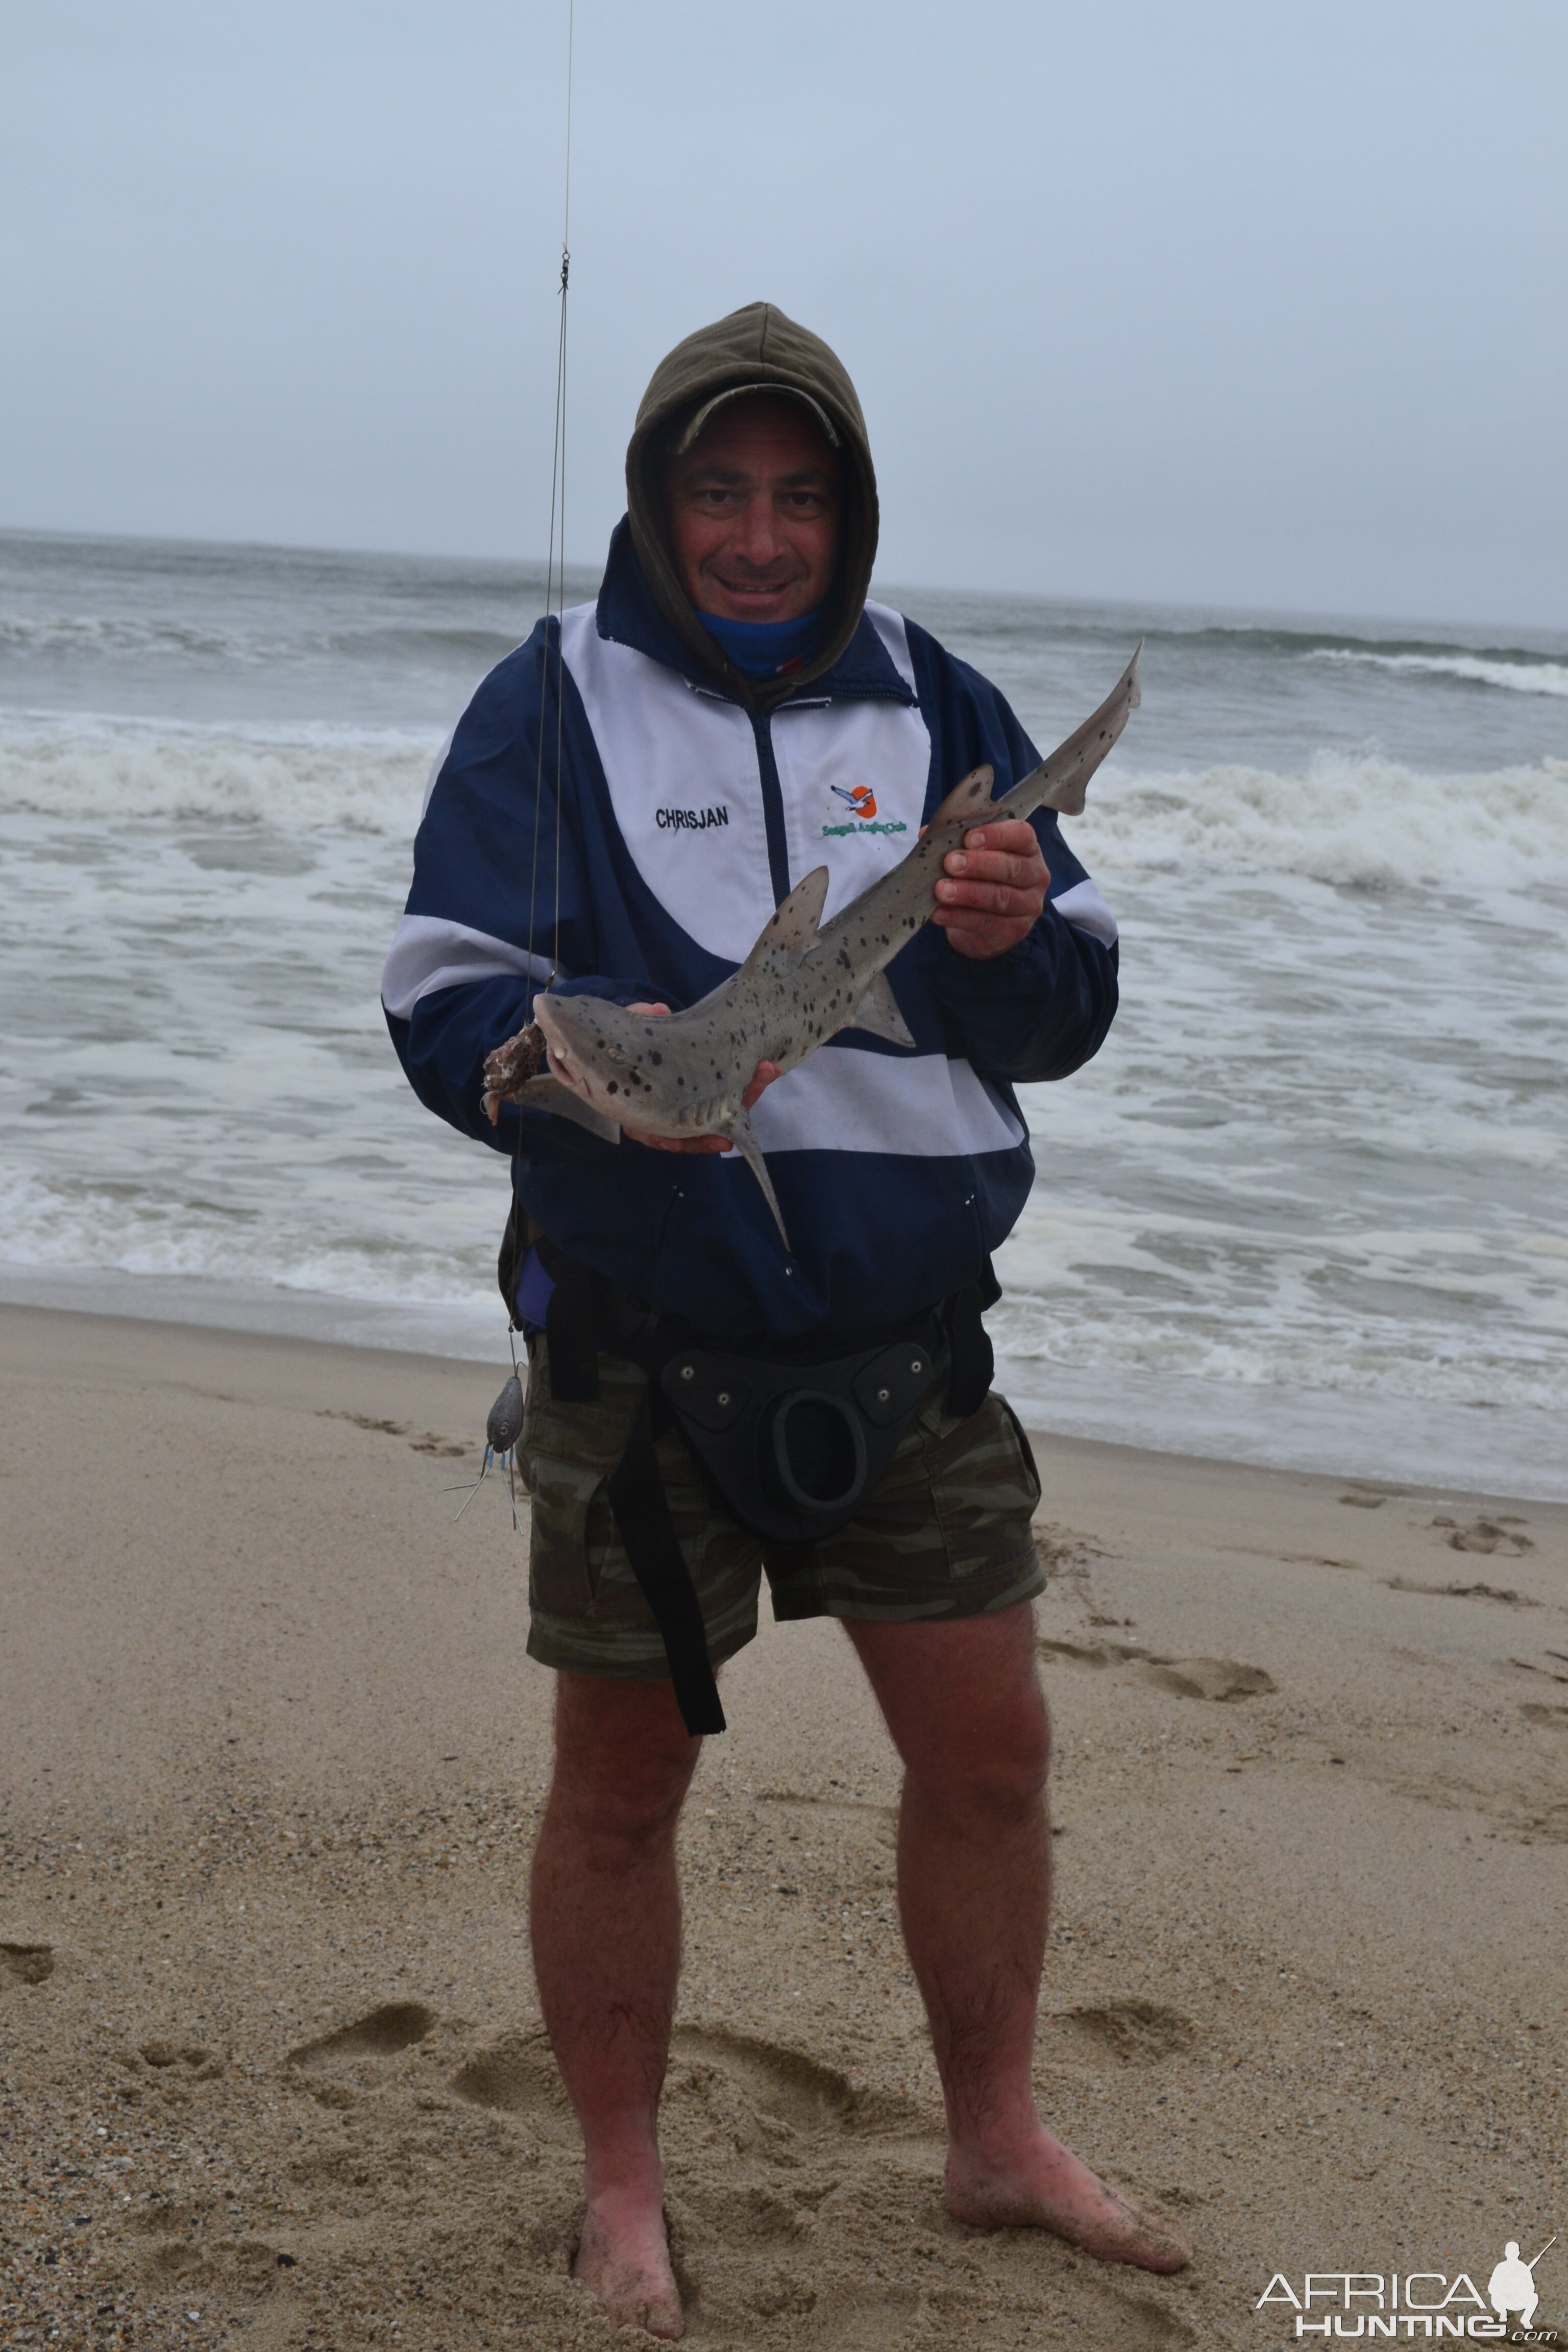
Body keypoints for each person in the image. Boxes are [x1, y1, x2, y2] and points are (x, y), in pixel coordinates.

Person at [383, 301, 1186, 2339]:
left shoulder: (933, 700)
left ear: (847, 511)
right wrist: (561, 1068)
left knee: (994, 1760)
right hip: (646, 1346)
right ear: (660, 499)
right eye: (721, 491)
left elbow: (1069, 1004)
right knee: (624, 1786)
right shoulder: (549, 701)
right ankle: (625, 2188)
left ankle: (997, 2138)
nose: (759, 535)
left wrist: (1002, 941)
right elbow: (441, 991)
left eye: (799, 496)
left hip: (913, 1348)